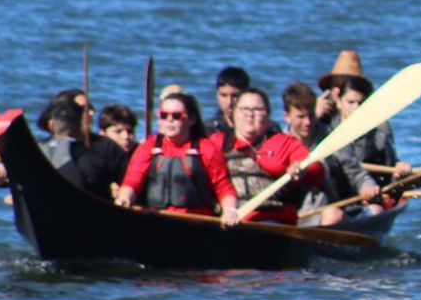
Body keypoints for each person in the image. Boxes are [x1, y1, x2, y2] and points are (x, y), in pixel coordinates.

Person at [312, 49, 410, 223]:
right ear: (336, 96)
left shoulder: (379, 132)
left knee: (375, 210)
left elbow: (391, 182)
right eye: (351, 102)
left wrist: (399, 174)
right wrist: (314, 117)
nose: (356, 108)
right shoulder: (319, 125)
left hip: (365, 201)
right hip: (326, 202)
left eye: (361, 102)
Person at [115, 92, 239, 226]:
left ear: (191, 119)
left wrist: (230, 210)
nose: (169, 120)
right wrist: (125, 197)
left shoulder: (207, 149)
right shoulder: (149, 146)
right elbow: (133, 180)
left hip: (196, 224)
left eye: (176, 115)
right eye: (163, 115)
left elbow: (224, 187)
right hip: (155, 221)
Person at [215, 87, 324, 225]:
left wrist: (301, 169)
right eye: (244, 109)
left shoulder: (284, 142)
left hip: (272, 219)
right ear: (234, 113)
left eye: (257, 110)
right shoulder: (217, 142)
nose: (250, 114)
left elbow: (316, 168)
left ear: (267, 114)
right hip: (228, 219)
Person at [74, 104, 137, 200]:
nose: (126, 137)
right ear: (102, 133)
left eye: (130, 131)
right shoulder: (93, 157)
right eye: (118, 131)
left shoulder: (139, 154)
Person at [208, 66, 252, 137]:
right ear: (217, 95)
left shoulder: (266, 129)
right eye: (224, 95)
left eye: (235, 96)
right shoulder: (208, 130)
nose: (229, 102)